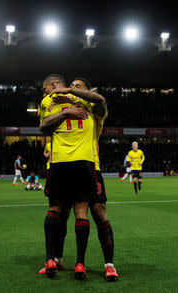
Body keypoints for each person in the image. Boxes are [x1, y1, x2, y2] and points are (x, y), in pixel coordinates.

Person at [38, 78, 118, 281]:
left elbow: (99, 99)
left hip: (91, 167)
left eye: (78, 86)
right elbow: (44, 127)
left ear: (87, 90)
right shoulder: (55, 103)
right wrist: (64, 108)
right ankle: (57, 258)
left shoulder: (92, 105)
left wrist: (68, 90)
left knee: (99, 213)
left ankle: (108, 264)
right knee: (62, 213)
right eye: (71, 85)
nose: (73, 88)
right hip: (63, 165)